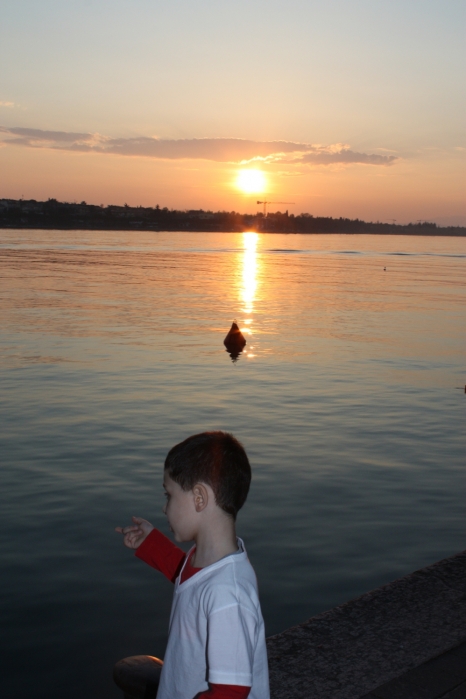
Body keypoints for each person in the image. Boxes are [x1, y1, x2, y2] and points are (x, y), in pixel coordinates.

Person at [116, 431, 270, 699]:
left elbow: (231, 692)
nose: (165, 508)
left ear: (199, 498)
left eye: (169, 495)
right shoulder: (208, 561)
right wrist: (151, 543)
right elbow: (188, 579)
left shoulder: (228, 595)